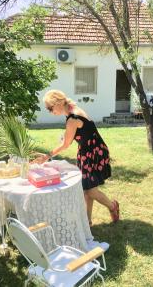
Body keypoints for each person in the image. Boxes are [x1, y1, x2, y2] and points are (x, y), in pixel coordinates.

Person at [34, 90, 119, 225]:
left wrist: (46, 156)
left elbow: (65, 144)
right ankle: (87, 221)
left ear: (58, 102)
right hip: (90, 151)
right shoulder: (72, 110)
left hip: (93, 153)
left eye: (50, 108)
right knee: (86, 188)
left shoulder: (73, 118)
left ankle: (112, 206)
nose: (50, 111)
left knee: (90, 190)